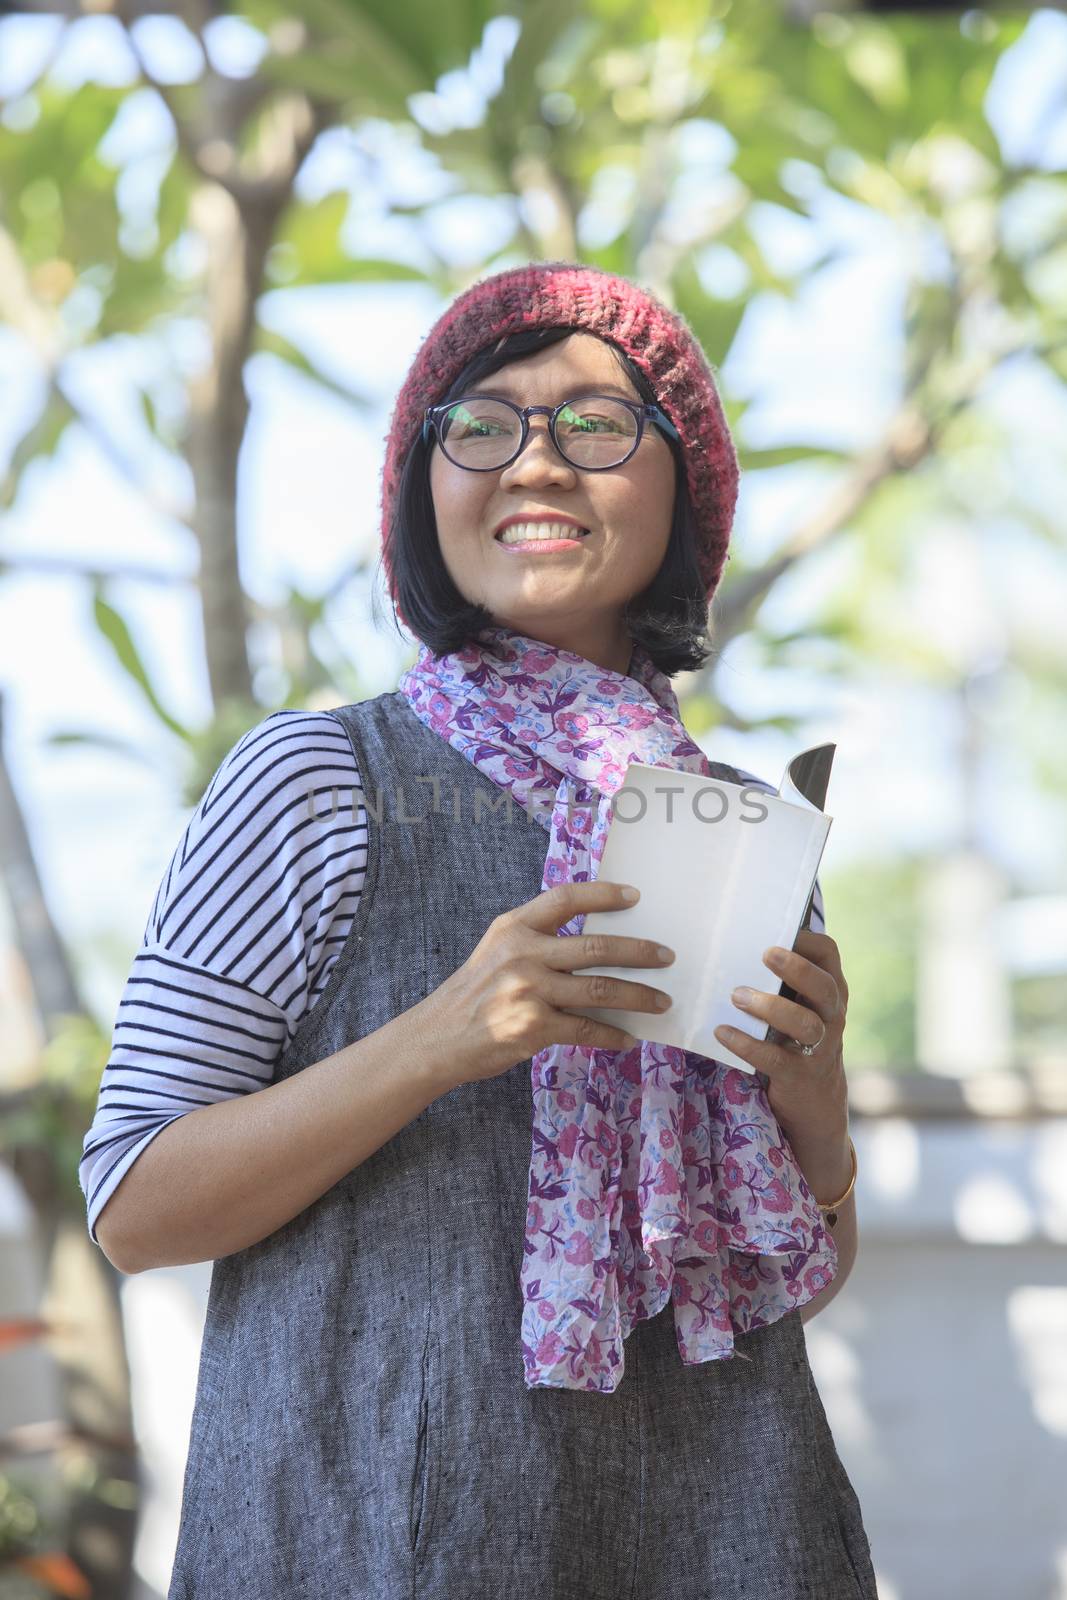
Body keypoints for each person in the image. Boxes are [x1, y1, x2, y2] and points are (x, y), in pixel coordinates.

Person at [81, 260, 876, 1597]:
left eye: (595, 428)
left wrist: (816, 1104)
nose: (536, 466)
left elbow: (792, 1273)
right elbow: (133, 1205)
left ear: (681, 490)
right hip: (371, 1551)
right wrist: (445, 1037)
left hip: (729, 1542)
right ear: (424, 489)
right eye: (483, 426)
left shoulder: (734, 825)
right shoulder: (317, 783)